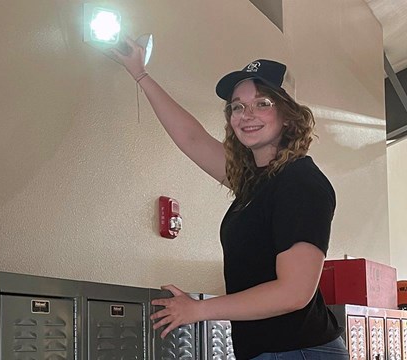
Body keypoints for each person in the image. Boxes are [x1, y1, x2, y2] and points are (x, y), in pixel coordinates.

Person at [112, 39, 348, 359]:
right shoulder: (257, 181)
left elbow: (294, 293)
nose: (246, 114)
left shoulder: (300, 183)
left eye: (262, 103)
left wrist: (198, 310)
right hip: (269, 351)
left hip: (300, 351)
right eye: (238, 106)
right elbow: (192, 138)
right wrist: (140, 74)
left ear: (289, 115)